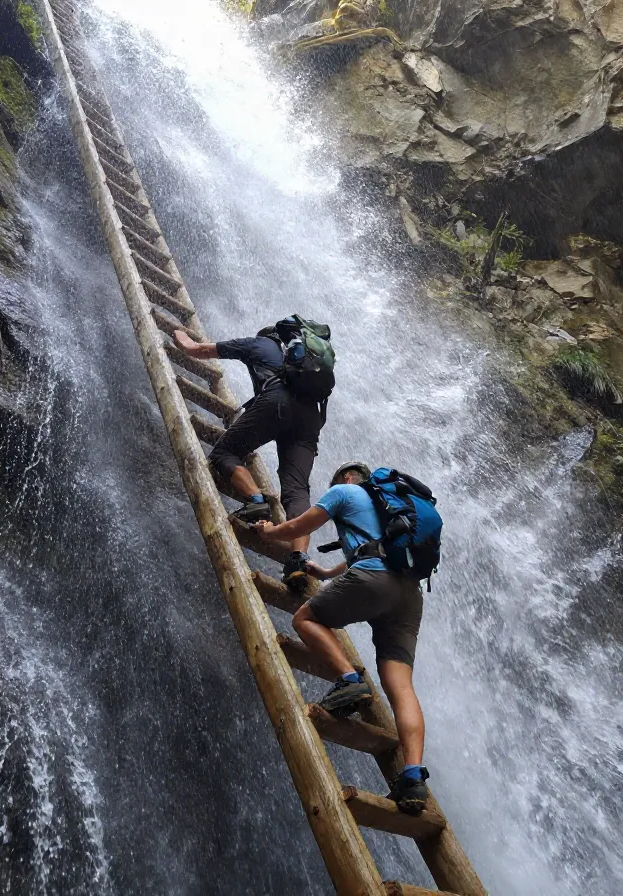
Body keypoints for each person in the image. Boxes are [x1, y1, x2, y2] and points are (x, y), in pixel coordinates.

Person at [253, 461, 430, 816]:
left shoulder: (345, 491)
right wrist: (327, 571)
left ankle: (349, 680)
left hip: (373, 580)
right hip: (409, 596)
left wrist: (270, 532)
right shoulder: (390, 510)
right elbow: (370, 550)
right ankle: (412, 776)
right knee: (401, 687)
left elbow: (301, 525)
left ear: (347, 477)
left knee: (305, 619)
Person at [173, 324, 323, 590]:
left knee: (224, 453)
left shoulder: (258, 345)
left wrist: (178, 334)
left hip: (278, 404)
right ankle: (299, 558)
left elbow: (196, 349)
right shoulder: (304, 373)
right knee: (297, 490)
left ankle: (256, 501)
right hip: (310, 421)